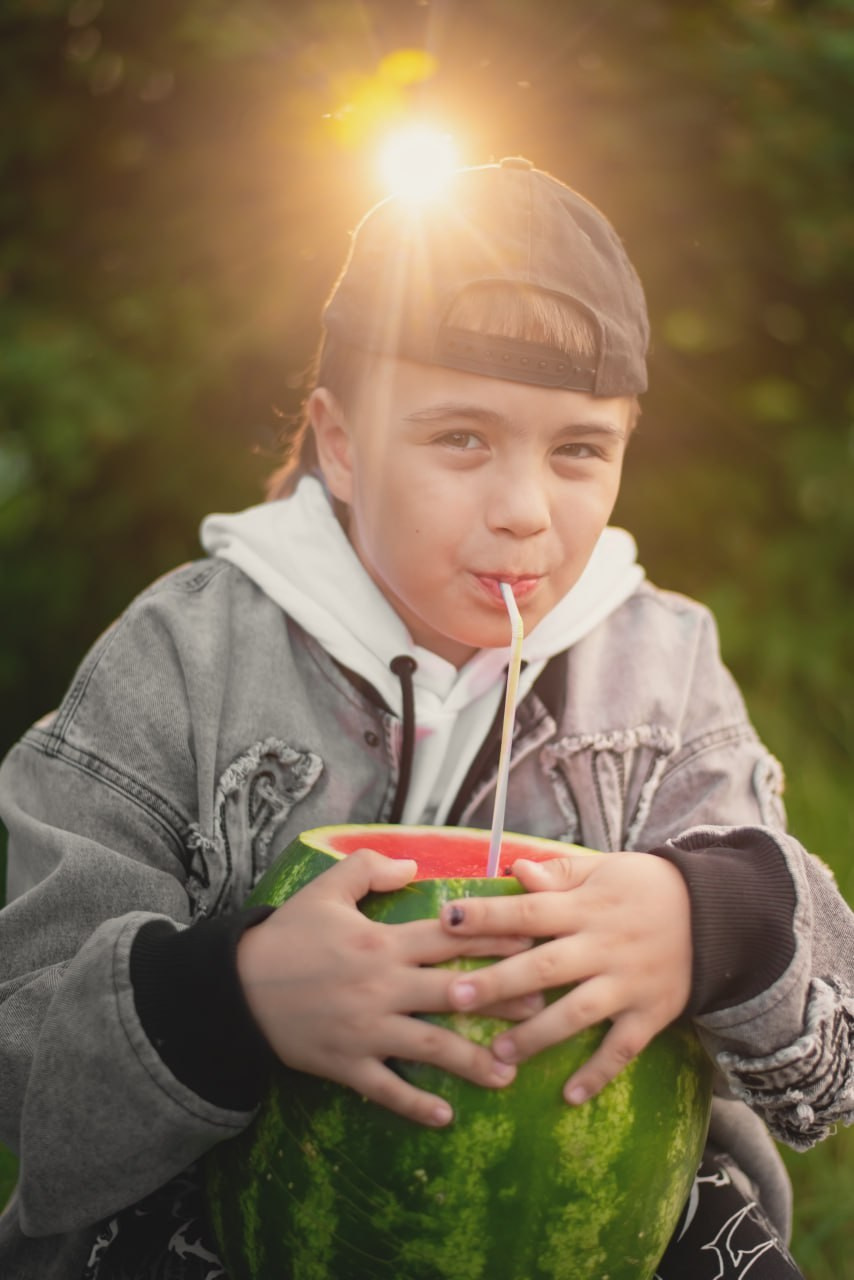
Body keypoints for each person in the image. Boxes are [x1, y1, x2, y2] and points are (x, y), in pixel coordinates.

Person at [0, 156, 851, 1280]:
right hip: (221, 1216)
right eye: (461, 438)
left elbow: (824, 1049)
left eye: (578, 449)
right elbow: (26, 1050)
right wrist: (230, 995)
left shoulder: (660, 663)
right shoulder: (185, 657)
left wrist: (712, 918)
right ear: (342, 444)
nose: (522, 510)